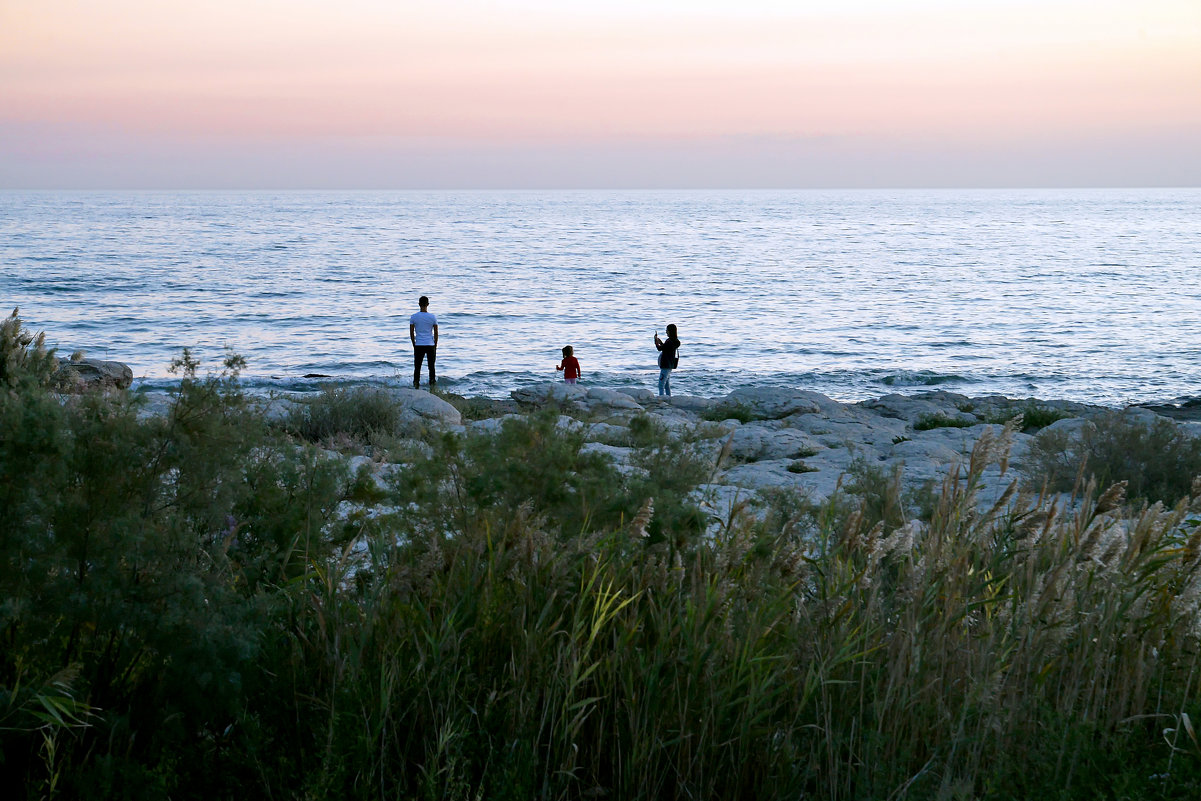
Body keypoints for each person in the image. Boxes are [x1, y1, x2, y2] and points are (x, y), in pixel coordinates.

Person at [409, 295, 438, 389]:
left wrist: (414, 343)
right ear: (428, 304)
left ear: (419, 304)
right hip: (430, 344)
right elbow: (436, 332)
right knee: (431, 367)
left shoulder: (414, 317)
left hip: (419, 344)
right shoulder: (432, 317)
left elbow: (411, 333)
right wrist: (435, 345)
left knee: (417, 367)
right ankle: (432, 386)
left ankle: (416, 385)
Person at [654, 324, 680, 397]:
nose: (666, 332)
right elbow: (666, 348)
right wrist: (660, 342)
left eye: (667, 330)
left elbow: (660, 349)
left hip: (665, 365)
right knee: (666, 385)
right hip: (670, 365)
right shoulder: (674, 341)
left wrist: (656, 342)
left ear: (670, 331)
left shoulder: (669, 341)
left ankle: (661, 399)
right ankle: (669, 397)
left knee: (661, 385)